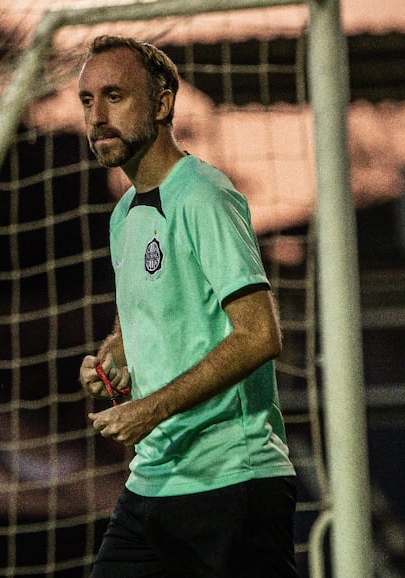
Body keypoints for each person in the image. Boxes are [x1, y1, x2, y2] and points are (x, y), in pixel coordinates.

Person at [77, 35, 298, 577]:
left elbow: (258, 336)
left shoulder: (204, 195)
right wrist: (115, 361)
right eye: (86, 100)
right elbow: (142, 320)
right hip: (154, 481)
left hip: (230, 481)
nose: (97, 116)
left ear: (161, 104)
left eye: (114, 96)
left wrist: (150, 409)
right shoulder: (123, 213)